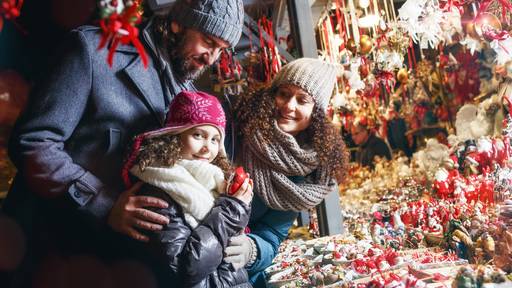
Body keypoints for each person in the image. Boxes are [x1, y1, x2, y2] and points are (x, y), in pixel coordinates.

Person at [3, 0, 244, 286]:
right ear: (178, 23)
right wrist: (103, 203)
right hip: (52, 254)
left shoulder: (189, 95)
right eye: (208, 42)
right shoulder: (93, 51)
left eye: (221, 49)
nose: (211, 58)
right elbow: (34, 143)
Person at [227, 58, 350, 286]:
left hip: (233, 271)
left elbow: (271, 234)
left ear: (317, 113)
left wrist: (251, 249)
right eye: (283, 94)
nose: (289, 106)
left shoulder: (305, 174)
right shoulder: (237, 130)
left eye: (302, 100)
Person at [121, 91, 253, 287]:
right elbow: (186, 268)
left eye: (215, 139)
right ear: (175, 136)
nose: (207, 147)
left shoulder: (213, 181)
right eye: (198, 135)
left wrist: (237, 203)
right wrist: (232, 209)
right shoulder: (160, 185)